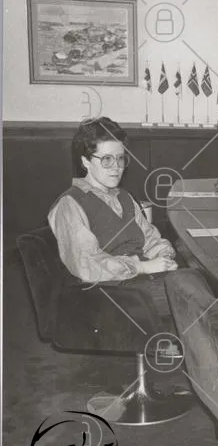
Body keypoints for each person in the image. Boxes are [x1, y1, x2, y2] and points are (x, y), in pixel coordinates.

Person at [48, 117, 178, 320]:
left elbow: (151, 239)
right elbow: (86, 264)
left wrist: (165, 256)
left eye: (120, 158)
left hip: (139, 284)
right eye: (107, 159)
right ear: (86, 162)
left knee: (192, 282)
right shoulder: (70, 204)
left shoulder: (125, 197)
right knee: (189, 293)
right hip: (106, 294)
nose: (116, 167)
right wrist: (142, 267)